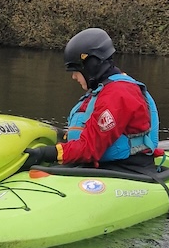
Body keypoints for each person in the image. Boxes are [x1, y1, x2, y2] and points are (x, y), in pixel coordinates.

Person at [23, 27, 161, 174]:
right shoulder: (105, 89)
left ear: (91, 65)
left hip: (127, 170)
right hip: (103, 165)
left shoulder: (118, 94)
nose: (74, 77)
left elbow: (90, 148)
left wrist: (46, 153)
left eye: (76, 70)